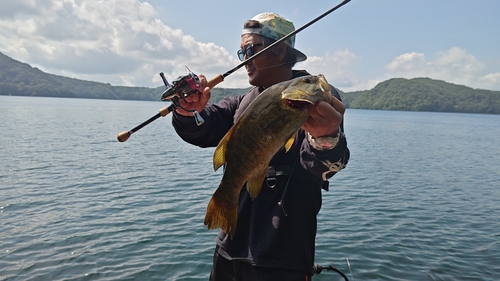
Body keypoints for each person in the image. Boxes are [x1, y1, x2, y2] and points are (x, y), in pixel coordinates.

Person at [172, 12, 350, 281]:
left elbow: (325, 166)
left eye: (250, 49)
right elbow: (202, 128)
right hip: (229, 250)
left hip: (282, 257)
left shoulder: (315, 95)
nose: (244, 60)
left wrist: (326, 137)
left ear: (279, 51)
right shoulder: (240, 103)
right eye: (241, 52)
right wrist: (186, 111)